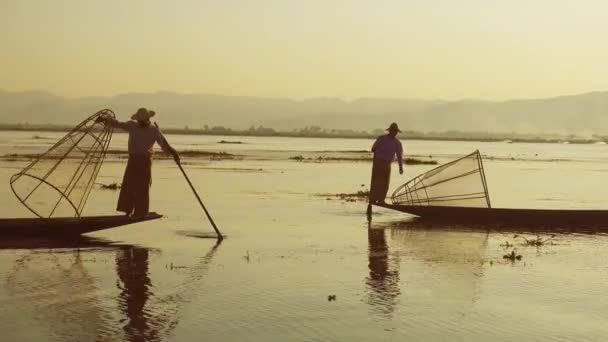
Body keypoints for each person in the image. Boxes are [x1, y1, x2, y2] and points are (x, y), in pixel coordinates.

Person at [99, 108, 179, 217]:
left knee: (143, 187)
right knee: (129, 185)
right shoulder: (132, 125)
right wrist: (105, 119)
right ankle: (127, 211)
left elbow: (164, 145)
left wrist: (174, 154)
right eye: (139, 120)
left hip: (145, 162)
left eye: (143, 120)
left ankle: (140, 212)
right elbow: (117, 123)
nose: (141, 122)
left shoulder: (154, 130)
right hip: (133, 160)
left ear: (147, 119)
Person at [369, 122, 404, 204]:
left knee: (384, 183)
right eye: (393, 131)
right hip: (378, 163)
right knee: (377, 182)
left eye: (395, 131)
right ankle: (374, 199)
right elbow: (373, 149)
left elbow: (399, 156)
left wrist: (400, 167)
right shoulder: (382, 138)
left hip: (385, 164)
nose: (394, 132)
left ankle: (380, 199)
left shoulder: (397, 143)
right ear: (390, 131)